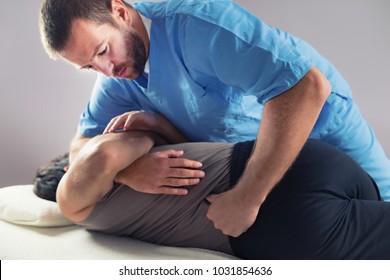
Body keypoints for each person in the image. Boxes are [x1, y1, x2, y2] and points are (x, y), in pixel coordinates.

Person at [39, 0, 390, 237]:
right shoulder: (120, 77)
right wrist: (128, 171)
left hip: (327, 136)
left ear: (120, 12)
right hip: (279, 175)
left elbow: (308, 88)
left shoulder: (198, 25)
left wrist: (247, 198)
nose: (106, 69)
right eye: (88, 67)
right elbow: (80, 148)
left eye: (102, 51)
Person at [33, 114, 390, 259]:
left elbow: (110, 152)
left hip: (274, 212)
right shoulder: (73, 196)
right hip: (302, 170)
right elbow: (106, 153)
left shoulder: (87, 208)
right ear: (68, 169)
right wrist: (127, 167)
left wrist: (132, 163)